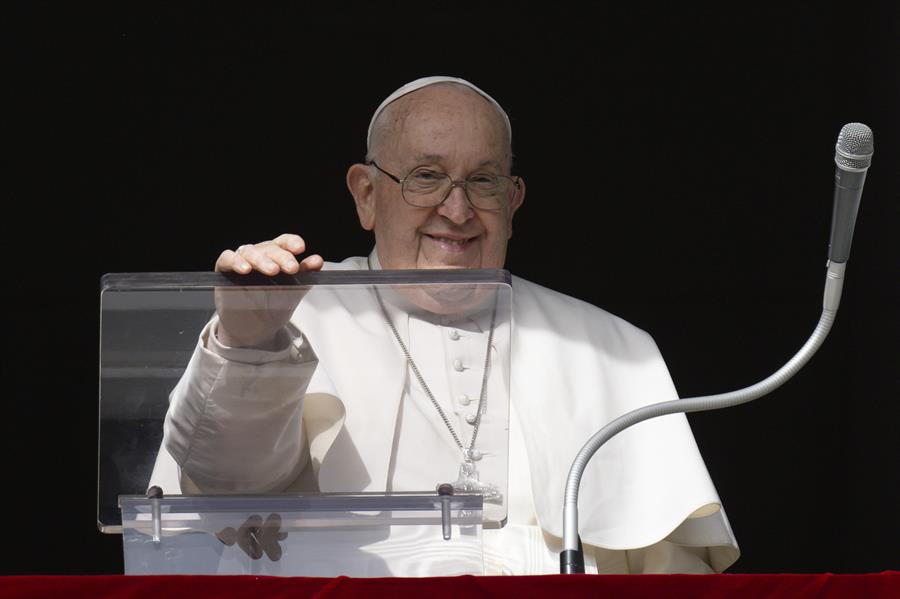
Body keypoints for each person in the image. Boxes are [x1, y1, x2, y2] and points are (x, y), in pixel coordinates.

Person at [151, 76, 740, 574]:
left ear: (513, 200)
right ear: (366, 195)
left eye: (482, 182)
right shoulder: (292, 309)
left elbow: (668, 572)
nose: (456, 211)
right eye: (426, 176)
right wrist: (251, 344)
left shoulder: (608, 349)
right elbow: (225, 482)